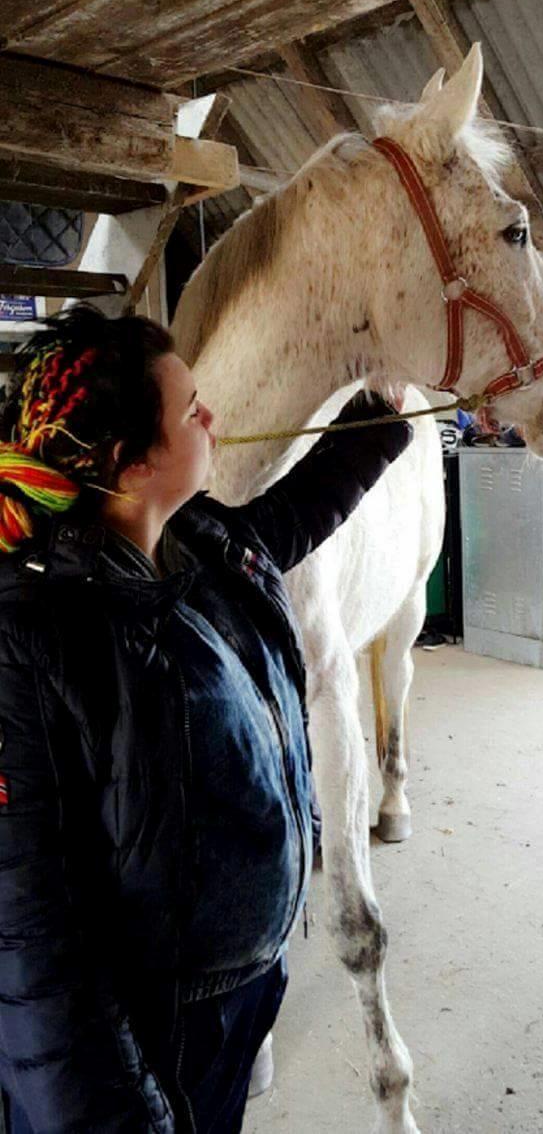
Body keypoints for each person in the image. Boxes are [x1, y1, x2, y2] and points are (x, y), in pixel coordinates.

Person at [0, 306, 412, 1133]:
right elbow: (34, 942)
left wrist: (384, 420)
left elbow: (293, 517)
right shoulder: (35, 637)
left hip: (235, 996)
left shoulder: (192, 541)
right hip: (150, 1038)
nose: (212, 418)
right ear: (130, 461)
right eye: (192, 410)